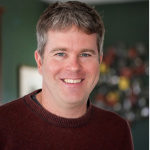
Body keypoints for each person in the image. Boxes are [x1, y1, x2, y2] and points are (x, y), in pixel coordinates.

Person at [0, 1, 133, 149]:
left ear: (99, 61)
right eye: (60, 53)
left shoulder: (117, 129)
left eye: (85, 54)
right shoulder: (3, 126)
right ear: (40, 62)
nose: (74, 67)